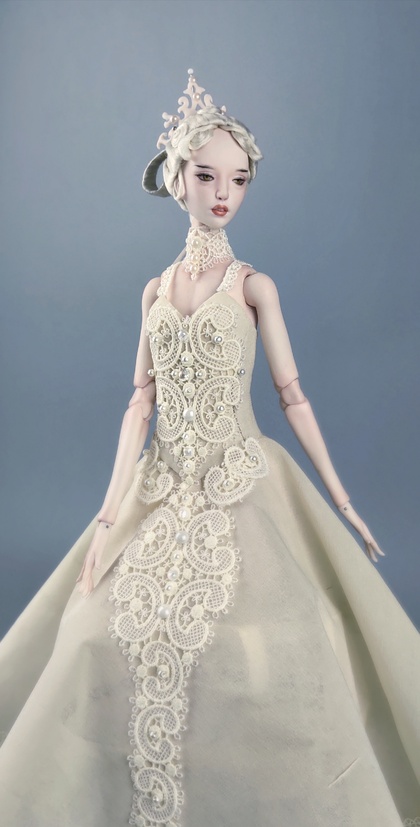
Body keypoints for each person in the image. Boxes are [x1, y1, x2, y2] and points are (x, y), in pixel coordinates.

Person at [0, 69, 419, 827]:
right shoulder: (153, 291)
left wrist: (344, 502)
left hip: (242, 482)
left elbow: (294, 398)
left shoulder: (254, 287)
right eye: (206, 175)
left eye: (239, 180)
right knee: (93, 629)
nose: (224, 193)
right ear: (177, 179)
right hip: (160, 486)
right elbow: (140, 403)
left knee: (283, 643)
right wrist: (106, 519)